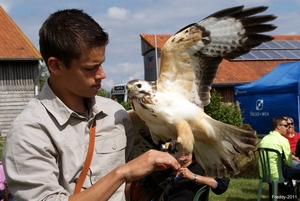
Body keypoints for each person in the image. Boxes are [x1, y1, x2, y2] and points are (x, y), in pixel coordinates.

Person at [2, 9, 180, 201]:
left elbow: (129, 190)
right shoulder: (30, 132)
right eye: (90, 68)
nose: (102, 74)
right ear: (55, 66)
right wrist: (122, 173)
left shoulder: (116, 114)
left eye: (101, 63)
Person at [259, 116, 300, 197]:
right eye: (285, 126)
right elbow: (289, 163)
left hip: (264, 174)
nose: (287, 128)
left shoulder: (264, 139)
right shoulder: (283, 140)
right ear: (278, 127)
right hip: (278, 174)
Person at [163, 152, 230, 201]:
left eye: (185, 147)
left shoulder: (201, 167)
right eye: (178, 147)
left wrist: (194, 176)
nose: (182, 150)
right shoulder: (170, 168)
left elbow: (222, 184)